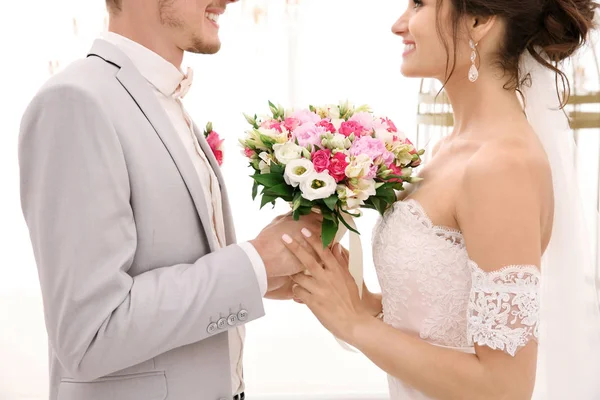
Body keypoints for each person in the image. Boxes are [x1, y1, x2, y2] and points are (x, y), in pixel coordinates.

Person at [281, 0, 600, 398]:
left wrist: (356, 326)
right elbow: (440, 324)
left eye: (419, 3)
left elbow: (505, 386)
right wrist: (357, 300)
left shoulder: (502, 166)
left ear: (480, 21)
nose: (399, 24)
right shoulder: (444, 149)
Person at [18, 1, 317, 399]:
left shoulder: (163, 100)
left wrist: (261, 277)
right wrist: (254, 262)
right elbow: (89, 332)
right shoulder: (76, 101)